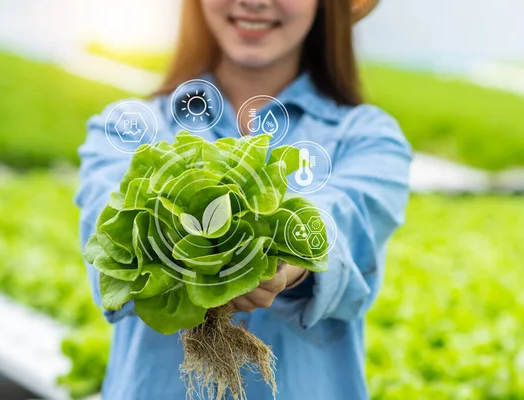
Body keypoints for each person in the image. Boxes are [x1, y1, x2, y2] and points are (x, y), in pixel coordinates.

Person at [75, 0, 412, 399]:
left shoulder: (368, 137)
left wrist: (288, 264)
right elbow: (108, 246)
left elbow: (345, 217)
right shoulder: (127, 129)